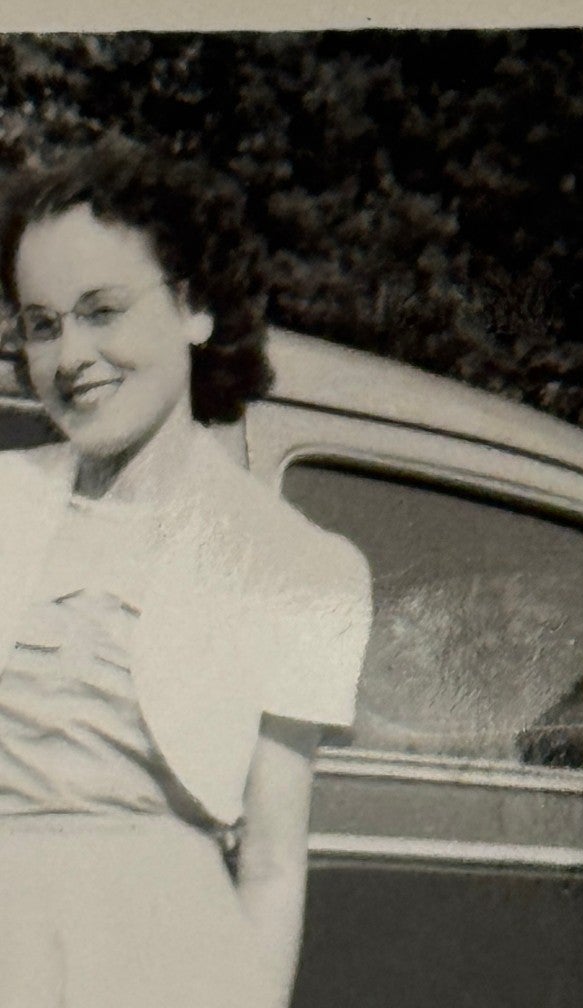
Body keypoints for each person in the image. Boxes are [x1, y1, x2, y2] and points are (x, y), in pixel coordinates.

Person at [0, 140, 372, 1008]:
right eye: (42, 323)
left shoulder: (300, 567)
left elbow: (275, 865)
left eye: (102, 311)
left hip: (164, 958)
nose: (70, 357)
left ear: (195, 307)